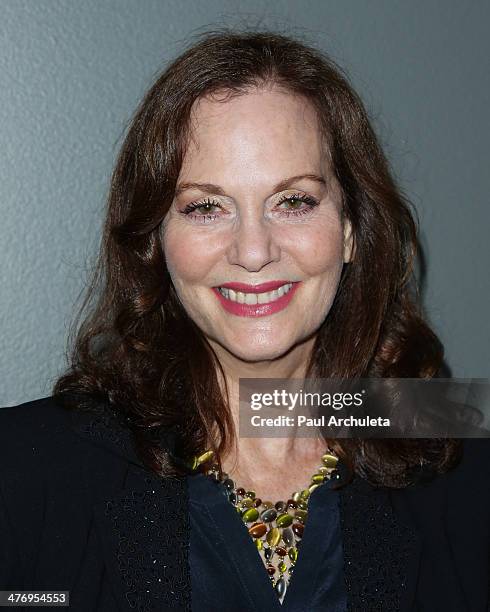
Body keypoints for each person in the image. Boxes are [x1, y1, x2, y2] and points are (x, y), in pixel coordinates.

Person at [0, 29, 488, 612]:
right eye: (207, 207)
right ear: (156, 240)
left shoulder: (453, 452)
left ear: (352, 230)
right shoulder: (26, 467)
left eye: (294, 201)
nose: (254, 251)